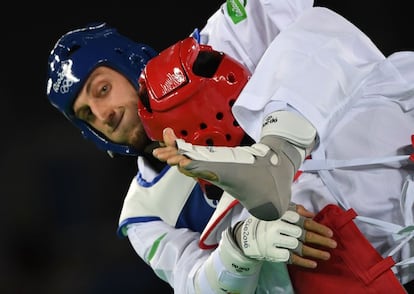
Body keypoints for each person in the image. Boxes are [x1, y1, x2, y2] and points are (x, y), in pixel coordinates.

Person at [45, 1, 413, 293]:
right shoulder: (144, 211)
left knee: (312, 31)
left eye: (102, 90)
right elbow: (192, 285)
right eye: (87, 115)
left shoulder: (222, 40)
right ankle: (268, 174)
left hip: (391, 148)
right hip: (362, 271)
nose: (103, 114)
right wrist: (241, 246)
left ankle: (274, 159)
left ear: (126, 62)